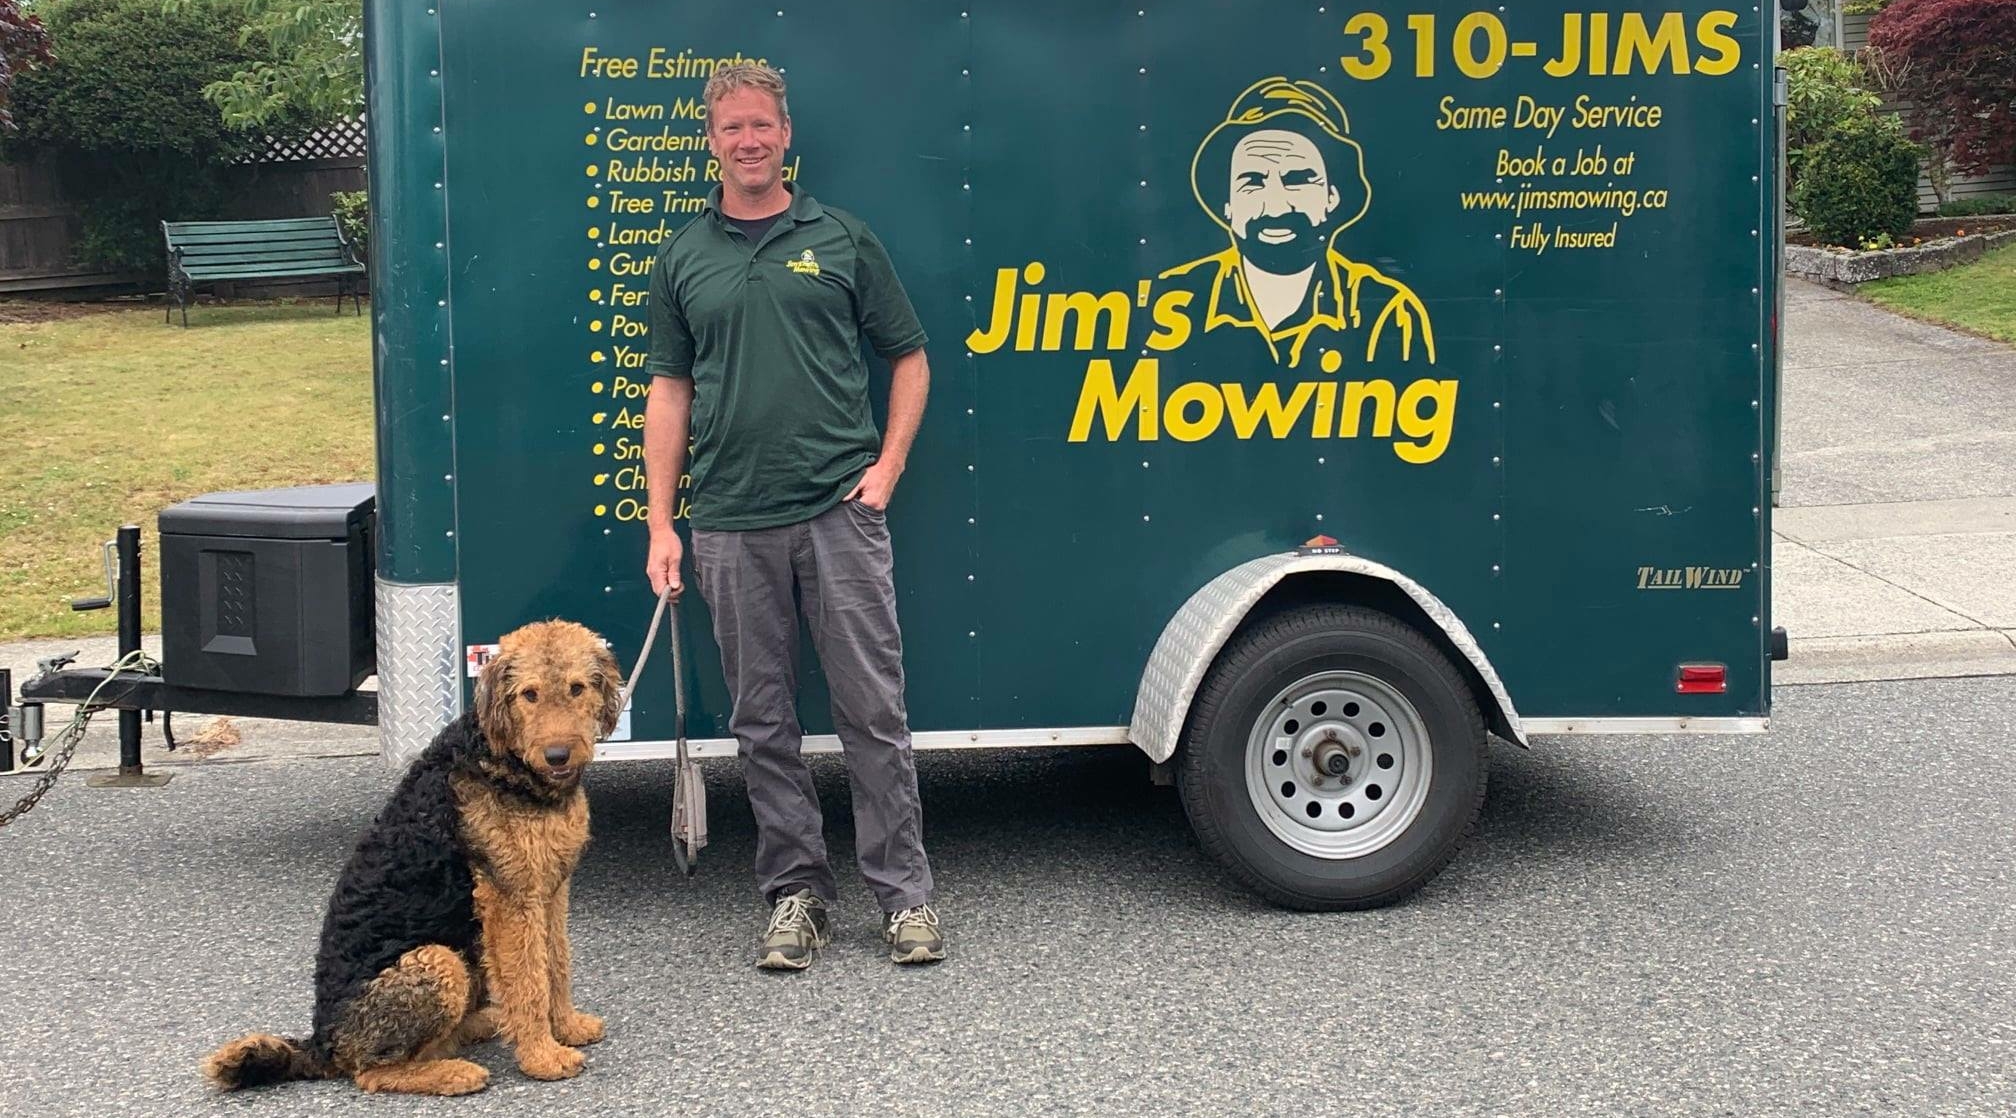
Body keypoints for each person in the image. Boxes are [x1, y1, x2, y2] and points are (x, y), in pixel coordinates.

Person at [641, 62, 942, 969]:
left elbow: (910, 357)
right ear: (712, 140)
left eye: (762, 126)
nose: (748, 141)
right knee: (760, 723)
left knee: (872, 715)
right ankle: (796, 895)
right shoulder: (683, 256)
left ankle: (905, 898)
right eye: (732, 128)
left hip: (837, 513)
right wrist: (663, 524)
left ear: (785, 135)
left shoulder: (842, 238)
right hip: (729, 521)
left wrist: (886, 467)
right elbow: (668, 393)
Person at [1157, 76, 1435, 370]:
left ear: (1332, 198)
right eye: (1252, 182)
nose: (1276, 207)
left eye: (1298, 180)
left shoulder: (1384, 309)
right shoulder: (1176, 298)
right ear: (1227, 204)